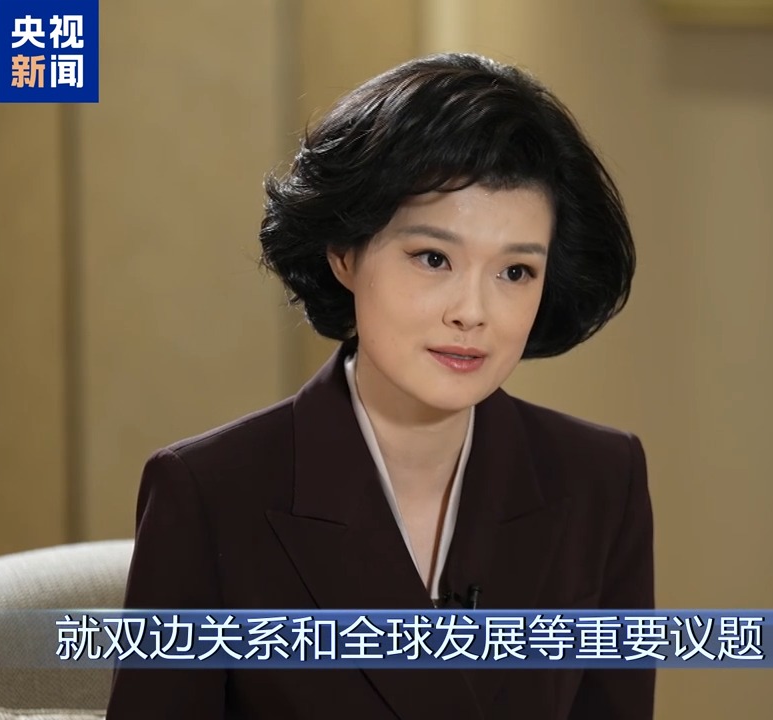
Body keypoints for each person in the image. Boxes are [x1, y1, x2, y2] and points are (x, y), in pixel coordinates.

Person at [105, 52, 654, 719]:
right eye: (433, 258)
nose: (472, 312)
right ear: (345, 253)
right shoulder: (209, 493)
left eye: (515, 272)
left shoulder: (602, 479)